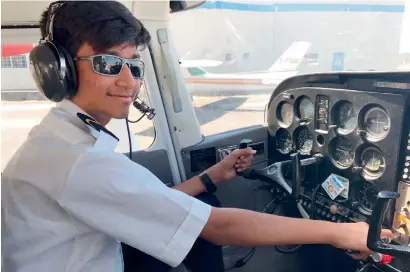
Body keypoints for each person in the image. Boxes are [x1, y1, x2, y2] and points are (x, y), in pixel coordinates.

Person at [1, 1, 394, 272]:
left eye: (135, 67)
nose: (129, 82)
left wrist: (212, 177)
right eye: (108, 63)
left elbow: (151, 202)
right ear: (60, 70)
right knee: (204, 221)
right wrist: (344, 231)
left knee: (201, 199)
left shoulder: (64, 140)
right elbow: (217, 227)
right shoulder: (79, 161)